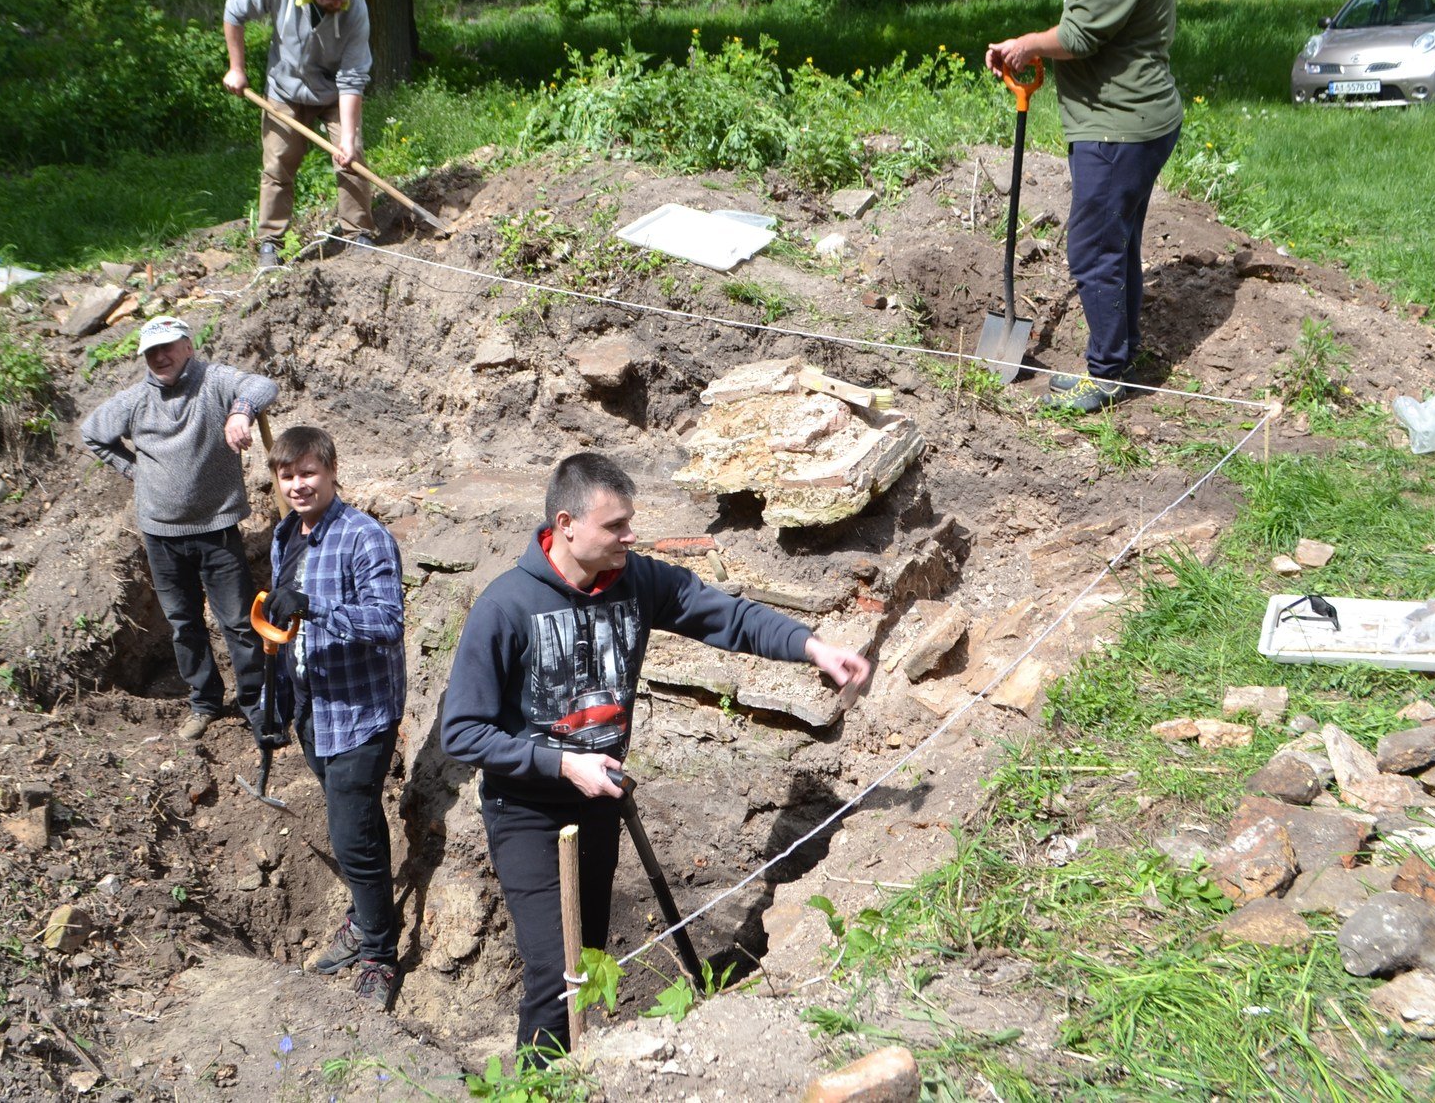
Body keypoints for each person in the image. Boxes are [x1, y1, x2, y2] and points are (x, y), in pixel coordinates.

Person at [438, 453, 873, 1054]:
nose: (630, 535)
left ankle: (577, 1074)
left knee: (586, 960)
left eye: (630, 522)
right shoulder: (506, 607)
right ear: (566, 524)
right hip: (528, 813)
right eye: (615, 525)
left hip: (599, 803)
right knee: (554, 975)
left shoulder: (639, 582)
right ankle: (535, 1086)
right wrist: (564, 764)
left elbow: (731, 617)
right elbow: (461, 732)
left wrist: (813, 648)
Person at [984, 0, 1182, 413]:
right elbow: (1092, 31)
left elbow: (1078, 37)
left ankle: (1107, 374)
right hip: (1131, 119)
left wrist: (1026, 45)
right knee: (1116, 243)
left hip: (1119, 125)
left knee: (1095, 244)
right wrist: (1040, 49)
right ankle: (1120, 356)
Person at [258, 425, 407, 1011]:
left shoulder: (364, 538)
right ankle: (367, 915)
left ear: (332, 470)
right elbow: (284, 628)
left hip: (362, 712)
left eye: (308, 472)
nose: (298, 485)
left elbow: (386, 622)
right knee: (360, 826)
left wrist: (317, 606)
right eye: (287, 475)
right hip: (314, 708)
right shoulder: (284, 537)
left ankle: (379, 954)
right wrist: (275, 700)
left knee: (351, 835)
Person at [81, 316, 278, 740]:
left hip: (216, 529)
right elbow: (93, 433)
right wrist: (135, 471)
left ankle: (255, 703)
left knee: (240, 622)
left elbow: (263, 385)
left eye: (168, 346)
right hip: (160, 536)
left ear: (188, 345)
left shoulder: (214, 381)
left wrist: (240, 413)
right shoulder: (135, 401)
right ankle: (204, 702)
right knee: (183, 622)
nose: (160, 357)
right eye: (151, 352)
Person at [221, 0, 376, 270]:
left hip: (335, 90)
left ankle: (359, 234)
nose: (337, 4)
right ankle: (270, 243)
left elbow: (353, 75)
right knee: (278, 163)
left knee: (352, 156)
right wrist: (237, 67)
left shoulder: (355, 6)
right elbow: (234, 9)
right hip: (285, 88)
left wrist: (346, 139)